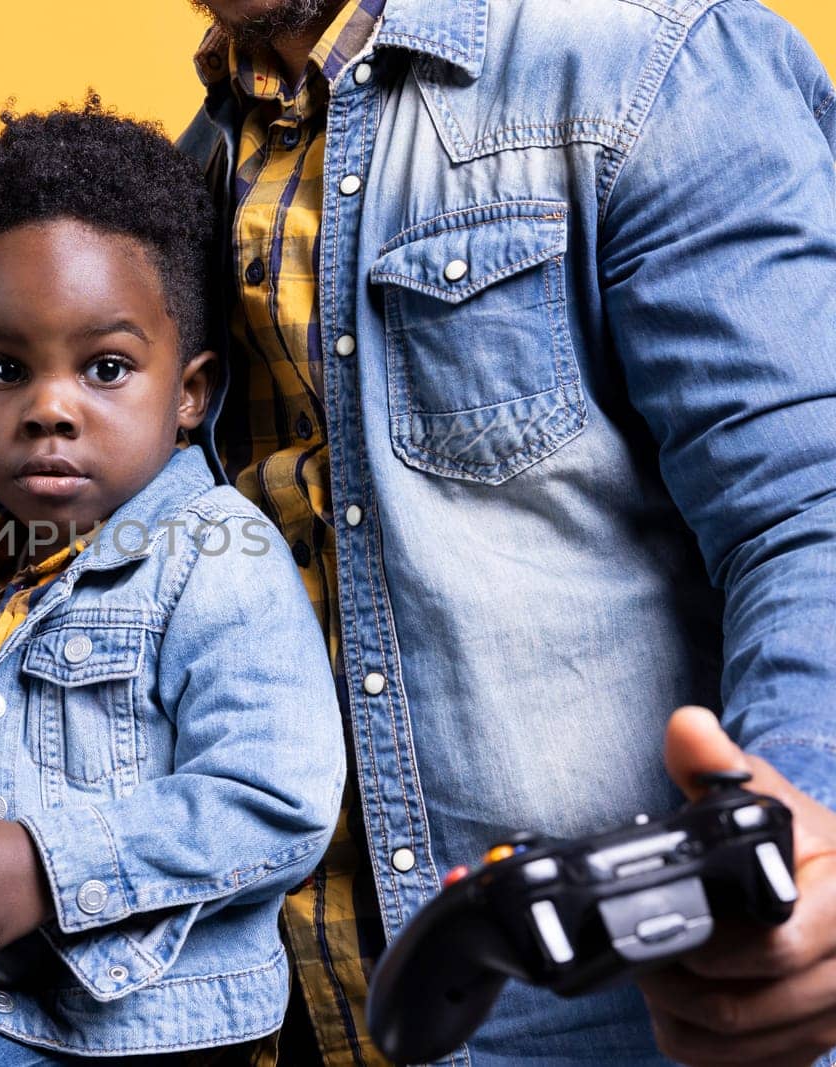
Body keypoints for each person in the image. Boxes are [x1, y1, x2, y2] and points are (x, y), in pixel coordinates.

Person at [172, 1, 836, 1065]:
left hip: (625, 1023)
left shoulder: (643, 62)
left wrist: (806, 813)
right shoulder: (198, 166)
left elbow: (808, 511)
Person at [0, 103, 347, 1062]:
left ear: (191, 393)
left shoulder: (217, 561)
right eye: (5, 368)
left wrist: (46, 868)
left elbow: (278, 798)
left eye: (107, 368)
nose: (49, 408)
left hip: (112, 1021)